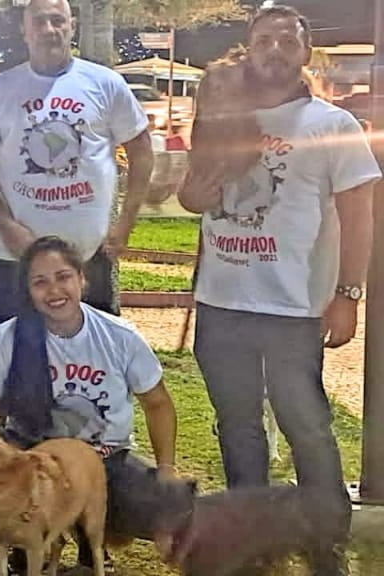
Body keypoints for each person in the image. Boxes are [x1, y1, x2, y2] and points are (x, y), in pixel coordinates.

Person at [179, 7, 379, 567]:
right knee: (238, 428)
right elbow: (193, 194)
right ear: (249, 47)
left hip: (293, 308)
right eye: (264, 39)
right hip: (222, 302)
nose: (275, 49)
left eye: (287, 41)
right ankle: (253, 539)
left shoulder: (332, 124)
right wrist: (193, 197)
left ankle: (326, 541)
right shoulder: (223, 113)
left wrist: (349, 294)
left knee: (307, 427)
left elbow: (359, 215)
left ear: (304, 52)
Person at [0, 236, 177, 573]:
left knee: (174, 508)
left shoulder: (120, 336)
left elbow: (158, 404)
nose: (54, 290)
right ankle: (28, 542)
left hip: (105, 461)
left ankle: (93, 540)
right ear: (28, 291)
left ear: (82, 278)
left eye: (63, 276)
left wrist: (166, 469)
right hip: (33, 465)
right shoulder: (10, 337)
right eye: (40, 282)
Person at [0, 0, 154, 332]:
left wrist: (125, 223)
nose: (49, 29)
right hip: (12, 258)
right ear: (24, 30)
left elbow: (142, 152)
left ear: (72, 26)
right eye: (39, 22)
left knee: (94, 354)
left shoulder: (106, 83)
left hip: (88, 256)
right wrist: (6, 225)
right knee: (16, 356)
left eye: (57, 20)